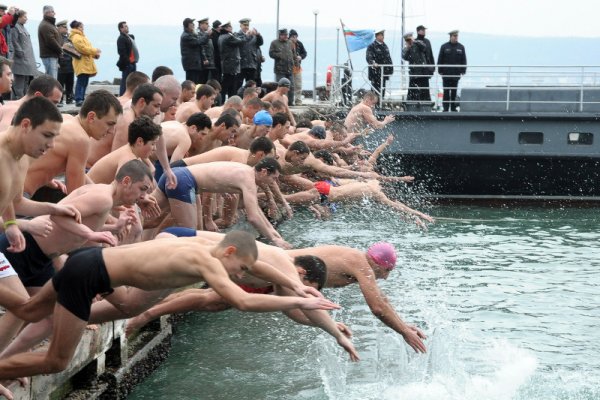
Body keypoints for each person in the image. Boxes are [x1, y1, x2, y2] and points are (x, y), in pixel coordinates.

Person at [0, 231, 342, 380]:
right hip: (88, 276)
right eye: (238, 269)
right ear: (230, 254)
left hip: (89, 262)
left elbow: (257, 266)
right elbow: (242, 301)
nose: (239, 276)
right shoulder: (208, 265)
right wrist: (296, 298)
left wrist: (297, 284)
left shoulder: (202, 245)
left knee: (28, 311)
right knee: (56, 362)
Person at [0, 159, 153, 354]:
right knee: (25, 309)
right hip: (23, 246)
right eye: (142, 189)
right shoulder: (103, 198)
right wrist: (89, 235)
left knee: (45, 312)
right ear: (126, 181)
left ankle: (11, 357)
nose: (143, 196)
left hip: (42, 257)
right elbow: (57, 216)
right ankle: (9, 358)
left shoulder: (102, 196)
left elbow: (80, 222)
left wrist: (113, 227)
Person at [287, 242, 427, 353]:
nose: (385, 277)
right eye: (387, 270)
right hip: (277, 264)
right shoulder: (361, 264)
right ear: (377, 263)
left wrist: (403, 325)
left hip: (282, 277)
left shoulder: (361, 264)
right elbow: (377, 308)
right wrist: (404, 332)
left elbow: (382, 300)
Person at [149, 157, 292, 248]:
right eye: (274, 178)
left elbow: (257, 212)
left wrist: (275, 234)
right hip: (183, 181)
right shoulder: (248, 179)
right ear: (264, 172)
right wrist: (274, 240)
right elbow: (253, 217)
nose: (274, 182)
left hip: (176, 173)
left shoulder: (245, 172)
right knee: (189, 238)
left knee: (148, 218)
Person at [24, 89, 123, 195]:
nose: (112, 131)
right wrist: (108, 205)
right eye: (109, 124)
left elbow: (80, 174)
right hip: (17, 196)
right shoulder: (80, 139)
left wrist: (106, 195)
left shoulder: (66, 119)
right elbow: (76, 195)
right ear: (91, 117)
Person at [69, 20, 101, 107]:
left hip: (85, 63)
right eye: (81, 27)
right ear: (76, 27)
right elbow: (82, 49)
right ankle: (78, 99)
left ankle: (81, 98)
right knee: (81, 81)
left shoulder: (82, 37)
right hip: (81, 63)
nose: (83, 28)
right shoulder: (76, 37)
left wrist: (94, 55)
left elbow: (87, 49)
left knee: (84, 82)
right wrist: (95, 51)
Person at [9, 10, 37, 99]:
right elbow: (14, 41)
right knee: (18, 85)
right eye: (24, 17)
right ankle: (17, 103)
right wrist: (21, 53)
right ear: (19, 17)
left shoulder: (23, 27)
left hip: (26, 61)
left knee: (25, 83)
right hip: (20, 61)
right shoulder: (15, 27)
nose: (26, 18)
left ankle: (24, 102)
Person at [218, 21, 249, 102]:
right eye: (230, 27)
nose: (231, 28)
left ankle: (224, 101)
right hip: (231, 66)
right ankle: (230, 103)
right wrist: (247, 35)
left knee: (226, 86)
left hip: (226, 64)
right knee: (231, 87)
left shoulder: (221, 36)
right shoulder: (228, 37)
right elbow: (241, 41)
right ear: (227, 28)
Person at [437, 30, 467, 112]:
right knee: (446, 91)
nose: (456, 37)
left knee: (454, 91)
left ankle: (453, 108)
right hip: (446, 73)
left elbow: (463, 60)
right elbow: (440, 59)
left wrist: (463, 70)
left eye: (457, 36)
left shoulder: (461, 47)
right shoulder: (444, 47)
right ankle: (445, 108)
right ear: (450, 36)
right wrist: (440, 70)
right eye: (454, 36)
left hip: (455, 73)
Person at [402, 32, 430, 105]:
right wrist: (408, 47)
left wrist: (414, 41)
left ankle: (425, 103)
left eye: (410, 39)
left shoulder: (418, 43)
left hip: (422, 71)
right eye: (407, 40)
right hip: (414, 72)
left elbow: (424, 47)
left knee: (424, 89)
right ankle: (413, 103)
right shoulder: (406, 47)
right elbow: (404, 57)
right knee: (413, 90)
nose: (409, 41)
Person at [269, 28, 295, 106]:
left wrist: (295, 62)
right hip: (280, 69)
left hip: (289, 68)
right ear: (280, 35)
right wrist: (279, 55)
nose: (285, 36)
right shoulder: (274, 43)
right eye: (284, 35)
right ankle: (280, 103)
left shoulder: (290, 43)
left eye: (286, 35)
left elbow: (293, 53)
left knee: (291, 86)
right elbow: (271, 54)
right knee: (281, 87)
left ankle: (290, 102)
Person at [366, 29, 393, 100]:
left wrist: (390, 69)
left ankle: (380, 102)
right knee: (375, 89)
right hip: (375, 73)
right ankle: (375, 104)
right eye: (381, 35)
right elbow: (369, 57)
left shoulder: (385, 46)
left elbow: (388, 58)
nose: (382, 36)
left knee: (382, 89)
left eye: (383, 35)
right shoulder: (372, 46)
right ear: (377, 36)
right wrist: (373, 63)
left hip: (384, 72)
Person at [37, 5, 61, 79]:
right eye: (52, 12)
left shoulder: (49, 24)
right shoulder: (45, 25)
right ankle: (49, 91)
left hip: (52, 55)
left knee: (52, 78)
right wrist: (60, 50)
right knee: (51, 79)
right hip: (49, 55)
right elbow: (50, 41)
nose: (54, 13)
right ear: (47, 13)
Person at [238, 18, 263, 87]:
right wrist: (247, 35)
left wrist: (258, 35)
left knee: (251, 85)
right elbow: (241, 42)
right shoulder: (238, 35)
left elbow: (260, 43)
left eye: (247, 25)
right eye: (244, 25)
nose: (246, 27)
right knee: (238, 84)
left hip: (251, 64)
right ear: (241, 26)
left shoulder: (253, 36)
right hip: (241, 64)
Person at [116, 21, 139, 96]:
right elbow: (122, 53)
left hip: (133, 63)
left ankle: (131, 96)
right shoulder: (121, 38)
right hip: (127, 64)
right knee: (125, 81)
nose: (127, 27)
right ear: (121, 28)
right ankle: (122, 96)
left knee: (133, 81)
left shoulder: (129, 37)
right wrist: (128, 62)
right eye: (125, 26)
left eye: (127, 26)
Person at [56, 20, 74, 105]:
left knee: (70, 82)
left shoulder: (69, 38)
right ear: (59, 28)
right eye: (65, 27)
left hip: (70, 63)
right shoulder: (57, 37)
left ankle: (69, 98)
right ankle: (60, 99)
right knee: (60, 83)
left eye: (67, 27)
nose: (67, 29)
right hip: (61, 63)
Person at [180, 17, 202, 84]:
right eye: (191, 23)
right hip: (191, 64)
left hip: (194, 64)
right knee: (191, 83)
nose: (193, 25)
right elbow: (198, 42)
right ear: (187, 25)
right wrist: (207, 35)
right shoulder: (186, 36)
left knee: (196, 83)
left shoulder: (191, 34)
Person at [288, 29, 306, 106]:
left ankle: (298, 100)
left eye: (296, 37)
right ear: (290, 37)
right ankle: (289, 101)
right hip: (288, 68)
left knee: (298, 84)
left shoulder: (299, 44)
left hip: (297, 67)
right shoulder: (286, 44)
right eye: (293, 37)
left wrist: (300, 57)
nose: (294, 38)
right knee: (290, 85)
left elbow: (304, 53)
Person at [197, 18, 215, 84]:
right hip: (205, 63)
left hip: (210, 62)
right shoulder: (199, 35)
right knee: (203, 82)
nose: (208, 25)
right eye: (206, 23)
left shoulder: (207, 34)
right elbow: (201, 47)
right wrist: (205, 59)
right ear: (201, 25)